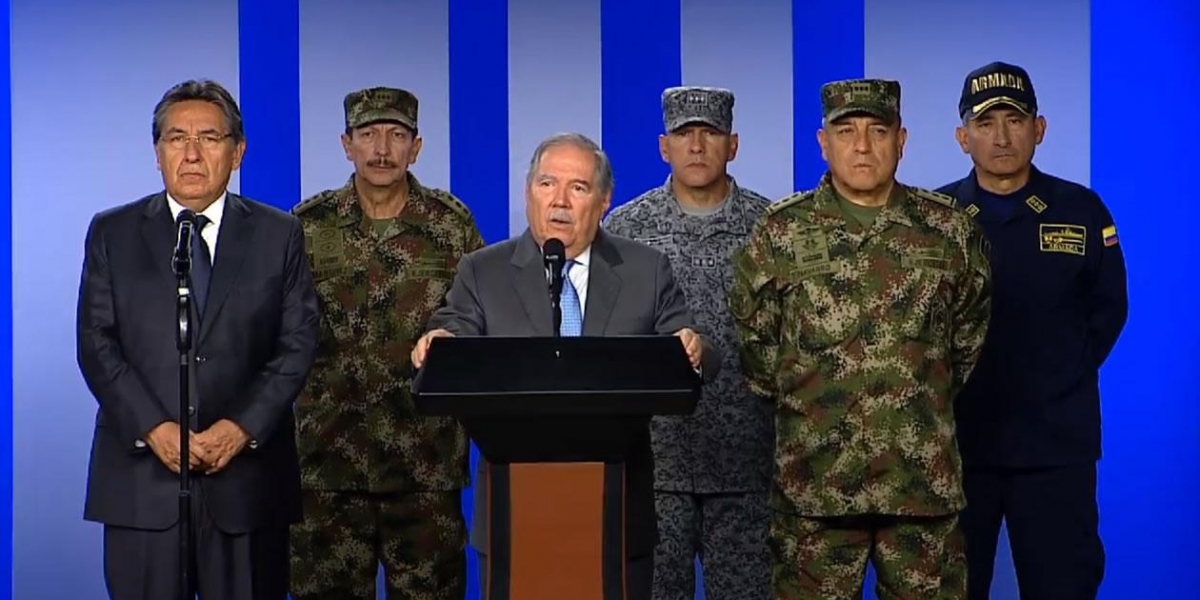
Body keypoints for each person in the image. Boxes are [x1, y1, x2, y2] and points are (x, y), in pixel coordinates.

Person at [411, 132, 721, 600]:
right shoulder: (483, 271)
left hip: (618, 511)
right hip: (515, 513)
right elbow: (454, 326)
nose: (559, 201)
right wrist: (441, 342)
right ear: (527, 192)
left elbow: (693, 347)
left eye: (577, 188)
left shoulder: (645, 269)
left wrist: (694, 350)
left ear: (603, 201)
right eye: (546, 184)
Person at [729, 79, 992, 600]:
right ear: (823, 143)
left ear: (902, 140)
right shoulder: (780, 232)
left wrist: (914, 401)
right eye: (846, 131)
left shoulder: (949, 231)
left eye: (878, 130)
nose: (863, 146)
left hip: (920, 487)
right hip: (816, 489)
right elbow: (757, 351)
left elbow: (966, 340)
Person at [76, 79, 320, 600]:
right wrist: (153, 428)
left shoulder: (279, 235)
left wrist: (241, 428)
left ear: (238, 152)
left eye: (209, 138)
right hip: (142, 486)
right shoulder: (112, 233)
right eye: (175, 138)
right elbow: (97, 343)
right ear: (157, 151)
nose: (191, 154)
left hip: (247, 484)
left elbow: (297, 342)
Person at [937, 61, 1128, 600]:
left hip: (1055, 449)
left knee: (1063, 588)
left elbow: (1109, 311)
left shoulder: (1082, 210)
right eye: (986, 122)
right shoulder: (934, 218)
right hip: (954, 449)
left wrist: (1055, 375)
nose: (1001, 136)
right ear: (962, 136)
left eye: (1015, 120)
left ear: (1038, 129)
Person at [289, 87, 485, 600]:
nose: (381, 149)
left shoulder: (450, 224)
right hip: (326, 466)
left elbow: (480, 315)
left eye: (396, 136)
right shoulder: (307, 226)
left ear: (415, 147)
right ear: (346, 143)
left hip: (424, 464)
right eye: (368, 135)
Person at [603, 86, 773, 600]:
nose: (697, 145)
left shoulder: (770, 228)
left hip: (747, 463)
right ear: (663, 146)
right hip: (656, 464)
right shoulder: (627, 229)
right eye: (684, 133)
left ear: (734, 144)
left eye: (711, 133)